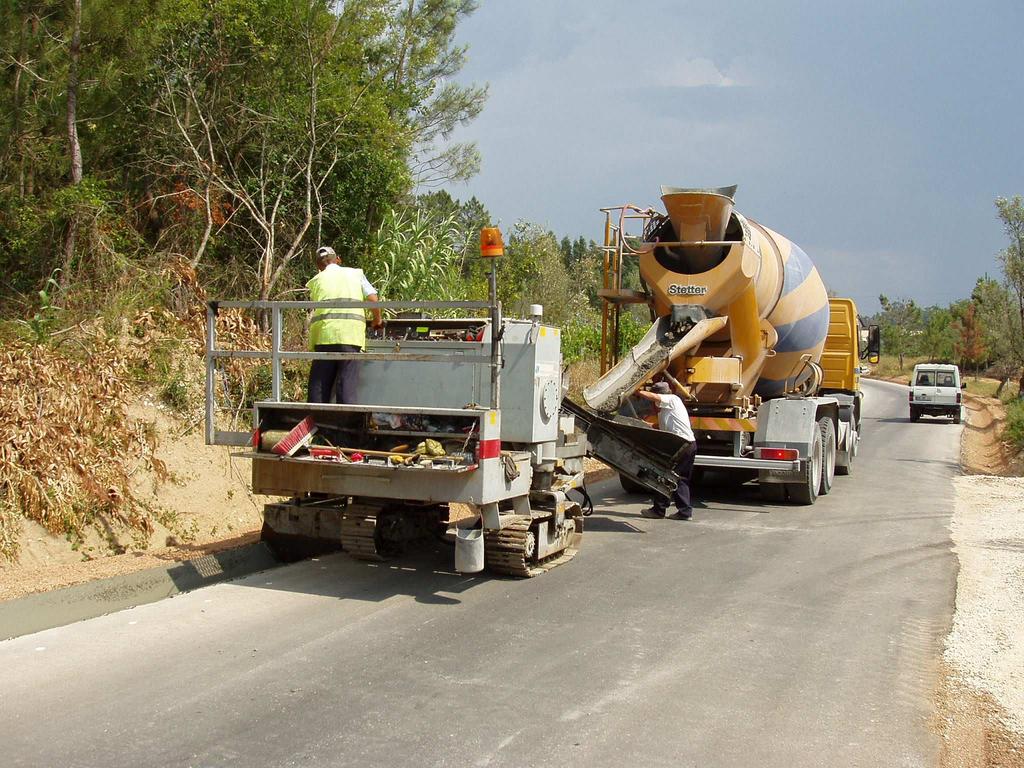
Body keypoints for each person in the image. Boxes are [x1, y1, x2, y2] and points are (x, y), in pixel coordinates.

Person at [306, 245, 383, 404]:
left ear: (319, 266)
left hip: (324, 337)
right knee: (346, 383)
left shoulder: (317, 280)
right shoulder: (355, 274)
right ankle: (345, 426)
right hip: (350, 337)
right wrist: (377, 320)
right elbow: (373, 299)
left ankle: (317, 423)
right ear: (338, 259)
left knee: (319, 385)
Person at [635, 380, 697, 520]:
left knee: (664, 476)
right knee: (680, 479)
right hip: (688, 445)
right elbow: (661, 427)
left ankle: (659, 510)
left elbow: (656, 398)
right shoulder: (666, 410)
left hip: (681, 446)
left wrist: (638, 392)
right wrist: (644, 425)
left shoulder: (672, 399)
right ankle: (684, 512)